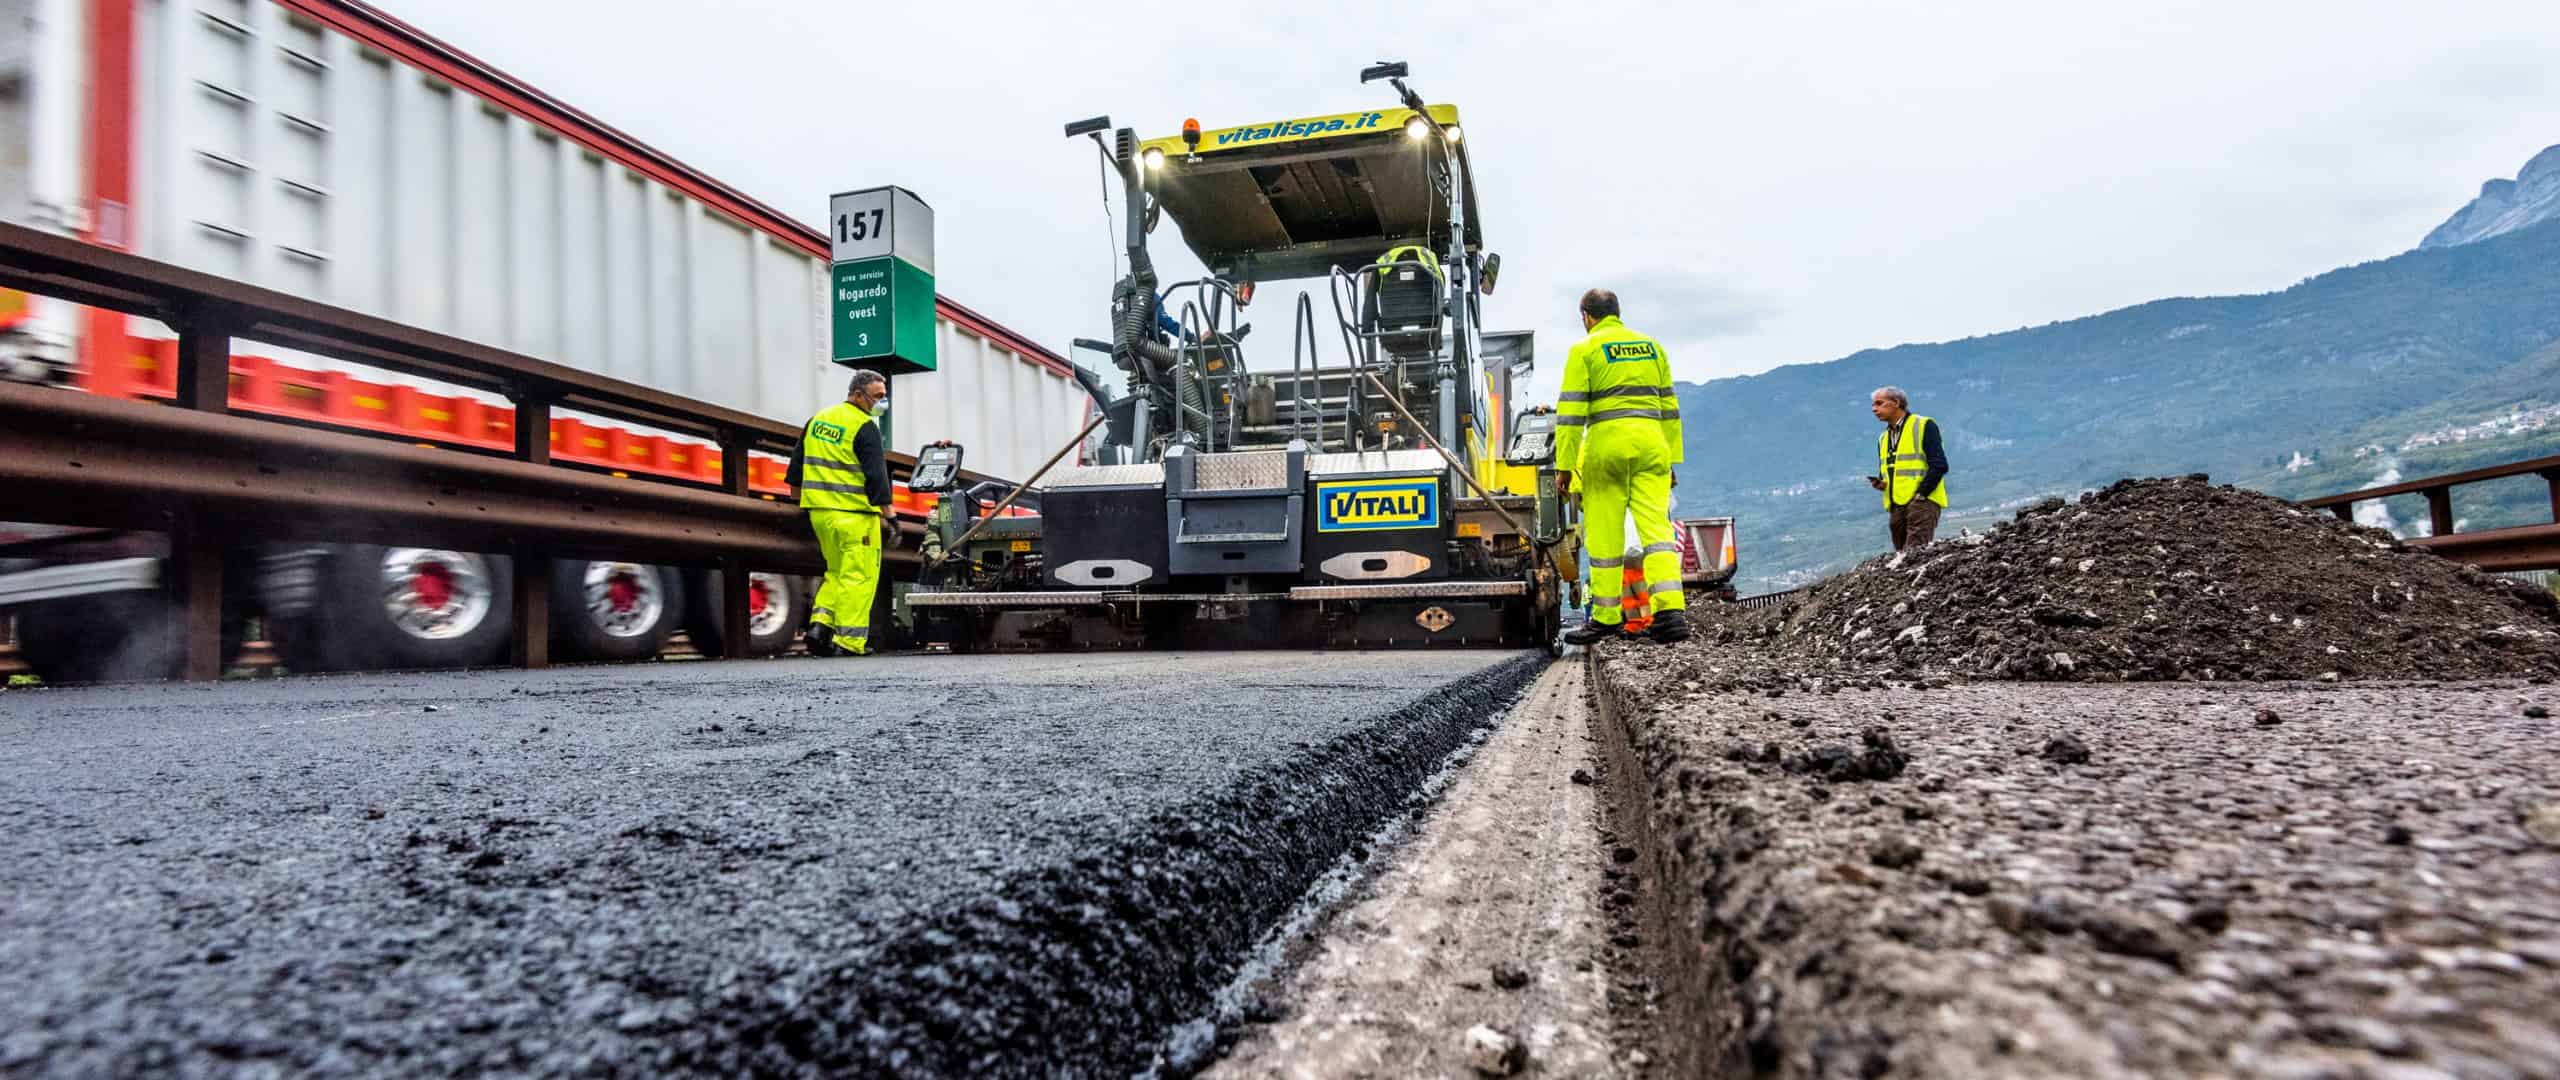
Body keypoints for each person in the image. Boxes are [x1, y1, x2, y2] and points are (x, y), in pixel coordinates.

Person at [1556, 289, 1689, 645]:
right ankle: (1670, 614)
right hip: (1653, 448)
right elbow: (1670, 409)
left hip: (1607, 451)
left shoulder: (1583, 350)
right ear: (1617, 312)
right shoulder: (1651, 347)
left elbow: (1570, 416)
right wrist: (1671, 459)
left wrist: (1565, 466)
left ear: (1586, 316)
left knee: (1605, 537)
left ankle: (1606, 618)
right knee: (1658, 534)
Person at [788, 370, 894, 656]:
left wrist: (797, 505)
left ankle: (819, 628)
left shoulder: (818, 419)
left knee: (835, 573)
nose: (881, 403)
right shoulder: (864, 425)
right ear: (857, 395)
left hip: (820, 515)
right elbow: (877, 476)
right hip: (855, 516)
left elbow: (796, 467)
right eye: (877, 397)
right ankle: (849, 641)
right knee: (858, 577)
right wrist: (891, 516)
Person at [1868, 386, 1949, 551]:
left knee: (1915, 553)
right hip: (1896, 505)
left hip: (1922, 502)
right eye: (1873, 405)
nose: (1874, 409)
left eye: (1879, 403)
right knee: (1901, 555)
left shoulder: (1923, 425)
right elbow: (1890, 471)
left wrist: (1921, 494)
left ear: (1896, 403)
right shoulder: (1883, 438)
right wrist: (1881, 483)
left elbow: (1939, 464)